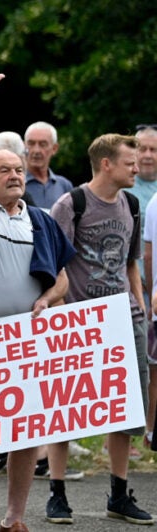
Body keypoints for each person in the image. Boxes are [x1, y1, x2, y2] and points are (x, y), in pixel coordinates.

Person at [0, 52, 74, 532]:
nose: (15, 175)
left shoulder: (41, 220)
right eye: (4, 170)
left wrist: (49, 299)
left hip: (27, 335)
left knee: (29, 433)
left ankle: (15, 517)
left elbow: (62, 275)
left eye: (19, 170)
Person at [48, 132, 153, 526]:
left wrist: (138, 307)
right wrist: (60, 314)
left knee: (126, 411)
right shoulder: (70, 204)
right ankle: (57, 494)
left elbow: (130, 263)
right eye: (129, 161)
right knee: (66, 408)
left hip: (125, 320)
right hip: (80, 322)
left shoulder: (130, 203)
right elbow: (54, 266)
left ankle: (119, 494)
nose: (137, 166)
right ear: (106, 164)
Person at [138, 125, 157, 447]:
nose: (148, 155)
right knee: (136, 366)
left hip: (152, 291)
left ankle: (150, 431)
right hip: (134, 290)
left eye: (154, 149)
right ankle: (126, 436)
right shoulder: (124, 187)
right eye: (142, 148)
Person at [23, 121, 73, 209]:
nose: (36, 150)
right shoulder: (17, 183)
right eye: (31, 144)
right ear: (24, 146)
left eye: (43, 144)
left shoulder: (64, 185)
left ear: (54, 149)